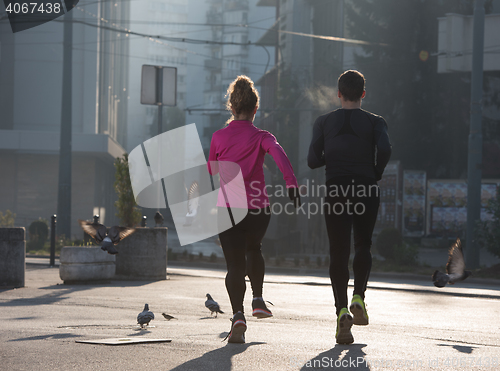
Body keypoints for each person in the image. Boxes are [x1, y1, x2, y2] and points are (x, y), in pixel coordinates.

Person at [208, 75, 301, 343]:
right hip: (259, 209)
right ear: (255, 109)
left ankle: (238, 315)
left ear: (232, 107)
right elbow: (279, 153)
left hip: (228, 209)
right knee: (254, 249)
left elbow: (211, 171)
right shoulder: (262, 136)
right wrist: (291, 184)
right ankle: (258, 299)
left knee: (235, 264)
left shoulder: (218, 137)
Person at [307, 70, 392, 344]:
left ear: (339, 94)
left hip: (336, 188)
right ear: (363, 94)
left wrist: (330, 156)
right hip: (366, 187)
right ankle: (359, 297)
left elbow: (311, 159)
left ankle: (341, 311)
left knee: (338, 252)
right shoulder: (376, 122)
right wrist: (375, 171)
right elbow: (386, 148)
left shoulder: (323, 122)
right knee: (363, 245)